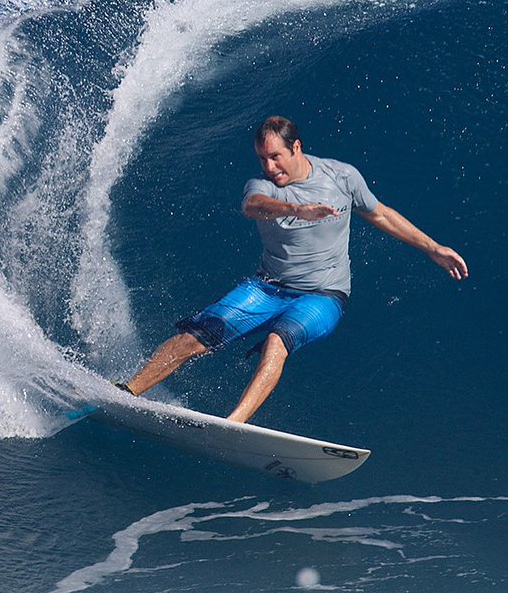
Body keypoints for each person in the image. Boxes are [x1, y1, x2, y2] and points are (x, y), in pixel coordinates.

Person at [119, 116, 468, 423]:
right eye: (263, 159)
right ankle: (127, 392)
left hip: (323, 295)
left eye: (276, 157)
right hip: (267, 287)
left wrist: (434, 248)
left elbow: (380, 214)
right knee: (196, 336)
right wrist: (299, 210)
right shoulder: (262, 187)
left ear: (296, 147)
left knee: (277, 342)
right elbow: (253, 206)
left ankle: (233, 424)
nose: (270, 167)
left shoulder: (342, 176)